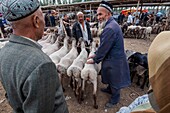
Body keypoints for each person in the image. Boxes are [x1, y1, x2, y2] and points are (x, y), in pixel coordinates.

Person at [0, 0, 68, 113]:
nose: (44, 22)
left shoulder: (3, 53)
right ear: (36, 21)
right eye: (42, 16)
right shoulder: (41, 64)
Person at [86, 1, 131, 108]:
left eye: (100, 14)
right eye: (97, 14)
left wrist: (95, 59)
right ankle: (110, 89)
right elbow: (104, 45)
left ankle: (115, 98)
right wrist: (96, 54)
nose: (98, 17)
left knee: (115, 78)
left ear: (108, 14)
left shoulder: (110, 28)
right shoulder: (112, 25)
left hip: (114, 60)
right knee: (111, 76)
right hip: (114, 57)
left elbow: (104, 47)